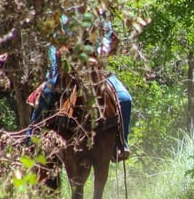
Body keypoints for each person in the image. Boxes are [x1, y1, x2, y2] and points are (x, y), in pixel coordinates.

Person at [28, 13, 132, 161]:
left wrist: (102, 52)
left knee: (125, 99)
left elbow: (109, 41)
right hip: (67, 70)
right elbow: (54, 46)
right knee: (46, 95)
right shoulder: (64, 17)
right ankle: (31, 140)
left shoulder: (101, 18)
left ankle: (121, 143)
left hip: (97, 70)